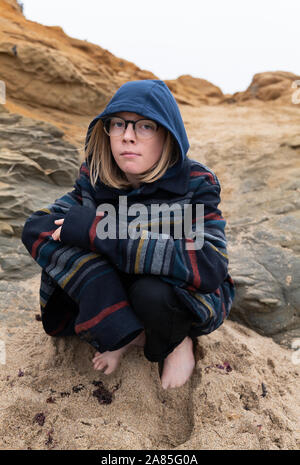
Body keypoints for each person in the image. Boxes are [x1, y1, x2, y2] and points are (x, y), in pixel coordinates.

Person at [21, 79, 235, 389]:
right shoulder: (95, 178)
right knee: (54, 242)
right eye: (118, 124)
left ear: (167, 134)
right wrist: (99, 278)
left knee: (150, 293)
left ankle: (176, 343)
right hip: (117, 284)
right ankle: (127, 330)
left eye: (145, 126)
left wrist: (100, 232)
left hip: (175, 292)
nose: (128, 137)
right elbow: (39, 226)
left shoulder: (195, 183)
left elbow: (210, 264)